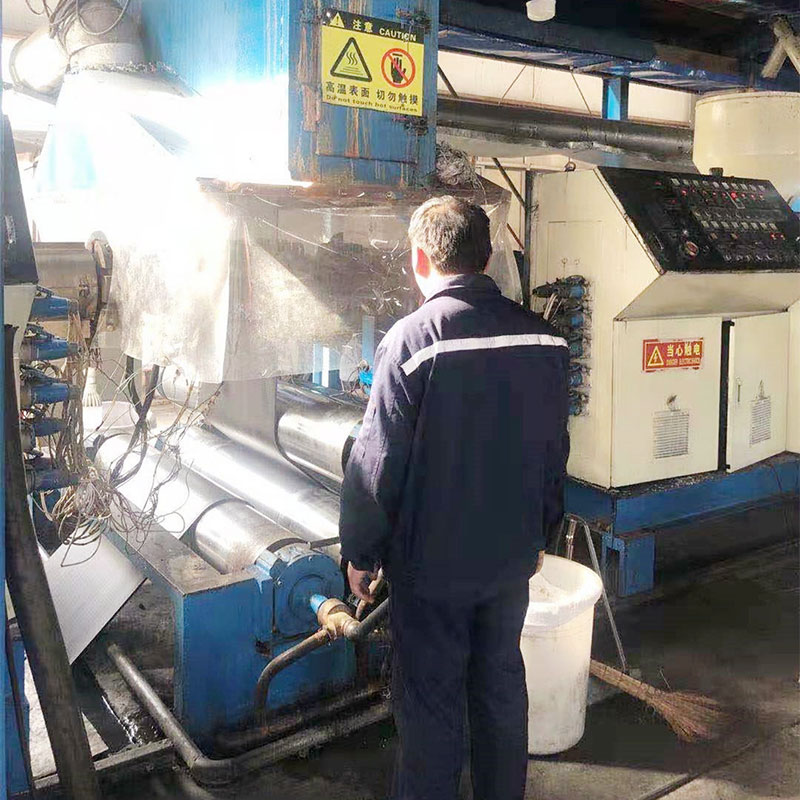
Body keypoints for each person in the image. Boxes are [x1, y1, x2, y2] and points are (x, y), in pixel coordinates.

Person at [339, 196, 570, 800]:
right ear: (487, 257)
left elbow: (376, 464)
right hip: (510, 561)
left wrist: (360, 552)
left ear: (420, 258)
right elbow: (554, 453)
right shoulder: (546, 341)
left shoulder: (412, 342)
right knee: (500, 689)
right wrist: (542, 535)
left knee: (431, 706)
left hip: (433, 569)